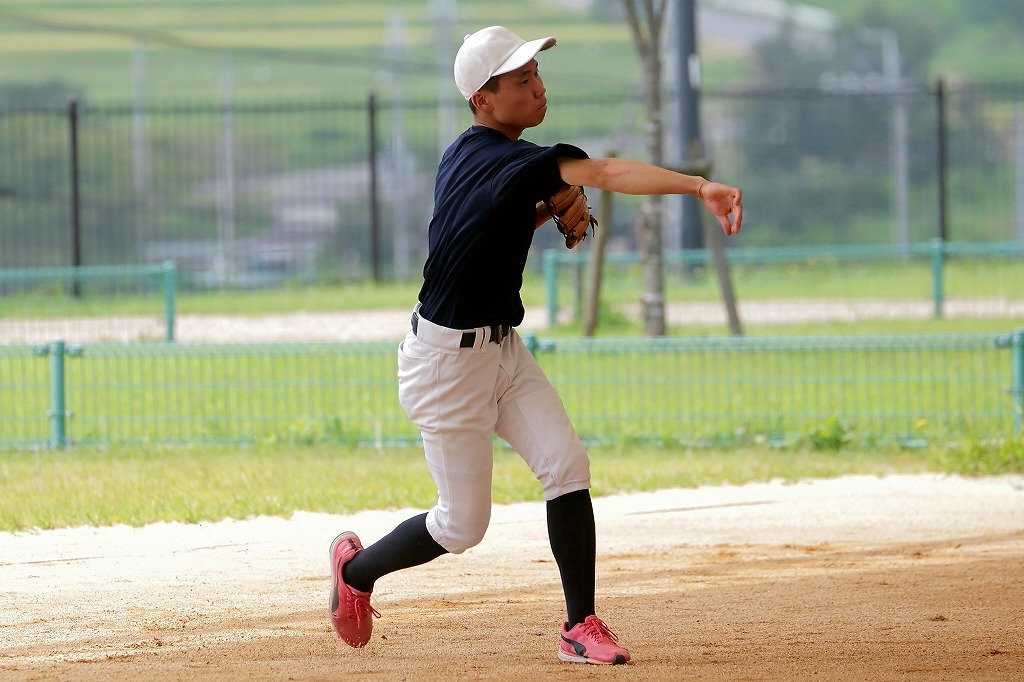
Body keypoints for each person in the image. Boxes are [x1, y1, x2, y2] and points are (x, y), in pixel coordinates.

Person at [329, 25, 743, 665]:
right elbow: (604, 171)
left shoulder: (469, 155)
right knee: (462, 526)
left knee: (566, 467)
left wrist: (539, 211)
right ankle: (355, 574)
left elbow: (485, 222)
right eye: (520, 79)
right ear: (483, 100)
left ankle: (581, 625)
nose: (537, 87)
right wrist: (700, 187)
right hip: (445, 366)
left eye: (536, 74)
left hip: (502, 351)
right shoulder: (511, 162)